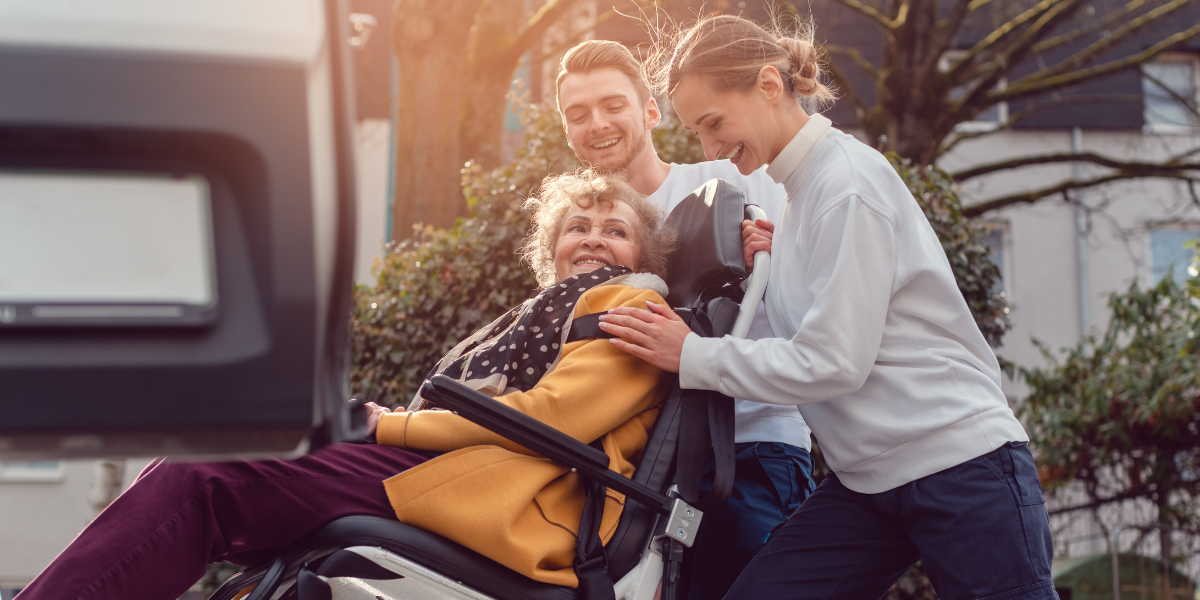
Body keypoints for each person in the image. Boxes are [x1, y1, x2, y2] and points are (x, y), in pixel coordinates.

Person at [16, 170, 679, 600]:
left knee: (210, 474)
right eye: (577, 228)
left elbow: (551, 418)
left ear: (642, 257)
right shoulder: (551, 311)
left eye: (615, 230)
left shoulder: (632, 305)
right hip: (465, 468)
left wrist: (388, 425)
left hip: (517, 499)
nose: (592, 241)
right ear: (550, 248)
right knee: (214, 460)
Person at [597, 15, 1058, 600]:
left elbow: (833, 361)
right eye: (698, 132)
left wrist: (693, 355)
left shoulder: (845, 184)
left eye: (713, 124)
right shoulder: (796, 198)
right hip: (868, 482)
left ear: (769, 84)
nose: (710, 148)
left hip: (960, 466)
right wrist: (777, 255)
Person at [555, 39, 816, 600]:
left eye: (612, 105)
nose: (596, 124)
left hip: (745, 452)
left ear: (651, 111)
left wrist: (778, 253)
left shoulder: (736, 179)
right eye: (578, 115)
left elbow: (822, 286)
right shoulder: (585, 235)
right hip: (636, 474)